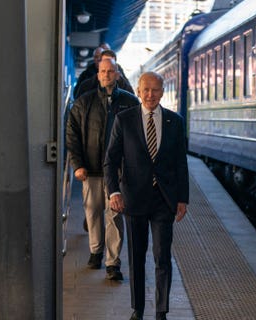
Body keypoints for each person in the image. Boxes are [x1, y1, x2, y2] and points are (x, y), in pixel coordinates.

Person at [104, 71, 189, 320]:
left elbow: (180, 164)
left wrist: (182, 199)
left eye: (155, 90)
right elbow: (110, 161)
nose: (150, 95)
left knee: (163, 257)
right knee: (137, 258)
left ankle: (161, 312)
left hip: (164, 199)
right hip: (133, 198)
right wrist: (114, 192)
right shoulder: (124, 119)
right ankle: (137, 309)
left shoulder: (175, 122)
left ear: (163, 92)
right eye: (146, 90)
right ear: (138, 92)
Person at [66, 58, 140, 280]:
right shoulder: (83, 102)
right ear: (97, 75)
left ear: (118, 75)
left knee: (115, 216)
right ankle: (95, 251)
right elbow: (72, 135)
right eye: (103, 71)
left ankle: (112, 262)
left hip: (118, 172)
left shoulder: (130, 102)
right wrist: (77, 165)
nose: (106, 75)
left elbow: (138, 138)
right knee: (93, 213)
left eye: (111, 72)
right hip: (91, 169)